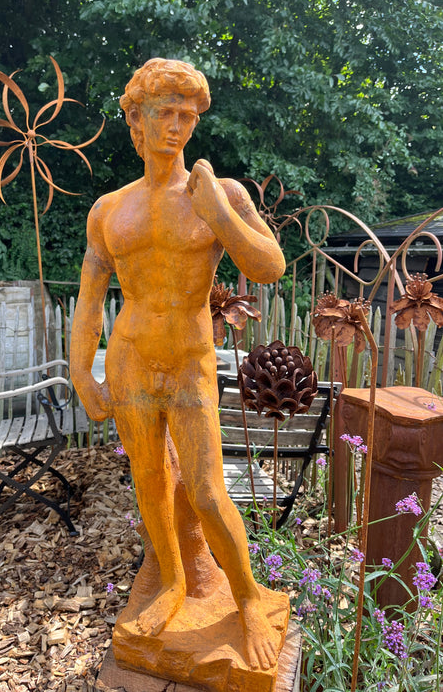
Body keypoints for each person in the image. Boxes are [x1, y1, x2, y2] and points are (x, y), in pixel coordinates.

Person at [70, 58, 286, 670]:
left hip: (189, 362)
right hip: (131, 361)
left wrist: (218, 213)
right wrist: (81, 371)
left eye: (187, 116)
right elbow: (89, 301)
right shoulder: (109, 209)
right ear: (136, 120)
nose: (177, 126)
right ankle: (170, 581)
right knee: (150, 481)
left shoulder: (220, 193)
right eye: (164, 113)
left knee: (208, 491)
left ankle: (248, 597)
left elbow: (269, 266)